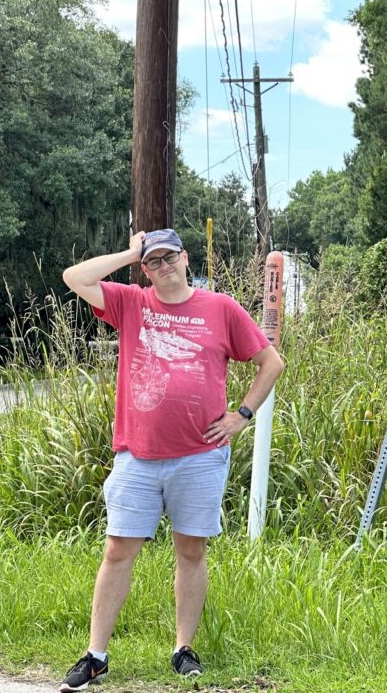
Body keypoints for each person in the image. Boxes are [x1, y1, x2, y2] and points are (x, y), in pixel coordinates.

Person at [58, 228, 284, 691]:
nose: (163, 268)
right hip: (137, 456)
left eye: (169, 258)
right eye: (153, 262)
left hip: (200, 457)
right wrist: (128, 251)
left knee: (191, 550)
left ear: (186, 260)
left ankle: (183, 648)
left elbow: (271, 362)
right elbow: (74, 277)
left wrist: (242, 415)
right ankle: (95, 656)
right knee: (118, 549)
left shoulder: (220, 308)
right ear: (146, 268)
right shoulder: (131, 303)